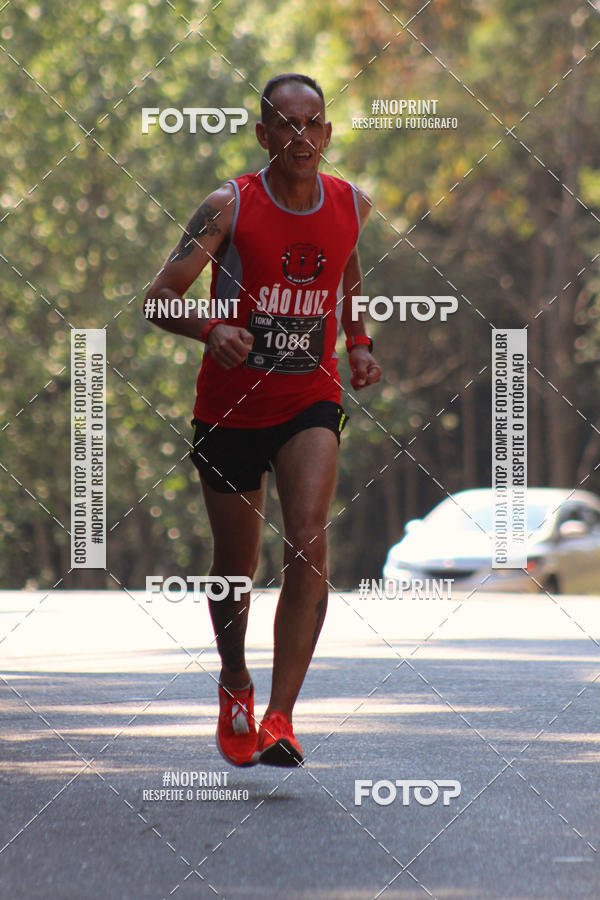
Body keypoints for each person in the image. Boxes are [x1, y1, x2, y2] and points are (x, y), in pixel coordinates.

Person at [145, 73, 381, 767]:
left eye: (313, 123)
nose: (301, 136)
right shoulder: (228, 206)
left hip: (310, 397)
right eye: (286, 124)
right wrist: (208, 329)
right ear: (264, 135)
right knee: (234, 567)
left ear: (328, 134)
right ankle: (236, 682)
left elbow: (348, 275)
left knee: (308, 541)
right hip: (229, 408)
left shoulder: (351, 204)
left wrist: (360, 343)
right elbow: (159, 299)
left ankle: (280, 716)